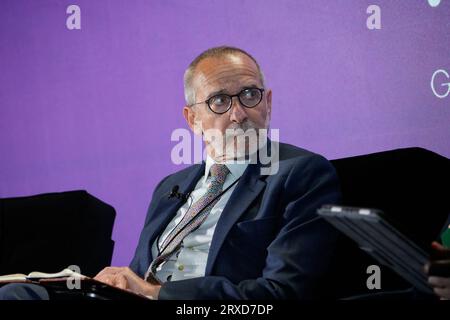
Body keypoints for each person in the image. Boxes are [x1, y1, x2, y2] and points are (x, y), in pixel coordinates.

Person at [0, 46, 341, 300]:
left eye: (249, 95)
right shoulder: (171, 186)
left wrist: (155, 294)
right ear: (193, 120)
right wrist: (119, 281)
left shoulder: (301, 173)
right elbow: (142, 271)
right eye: (220, 101)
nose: (238, 113)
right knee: (19, 295)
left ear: (267, 103)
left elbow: (281, 293)